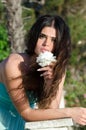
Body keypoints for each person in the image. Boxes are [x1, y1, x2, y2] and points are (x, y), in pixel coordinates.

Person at [0, 14, 86, 130]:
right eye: (42, 36)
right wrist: (70, 112)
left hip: (19, 123)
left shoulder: (58, 69)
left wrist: (50, 82)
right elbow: (26, 113)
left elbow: (51, 110)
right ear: (35, 36)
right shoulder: (14, 64)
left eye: (54, 40)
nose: (46, 43)